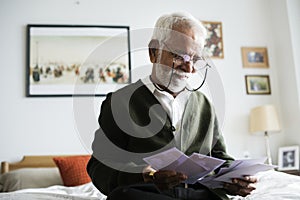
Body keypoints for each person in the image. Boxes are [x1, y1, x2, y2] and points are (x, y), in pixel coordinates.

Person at [87, 11, 257, 200]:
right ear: (154, 52)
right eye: (179, 56)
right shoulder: (119, 102)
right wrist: (146, 175)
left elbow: (219, 157)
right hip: (148, 193)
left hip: (199, 194)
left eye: (195, 59)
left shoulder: (204, 105)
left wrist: (234, 179)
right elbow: (99, 167)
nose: (189, 68)